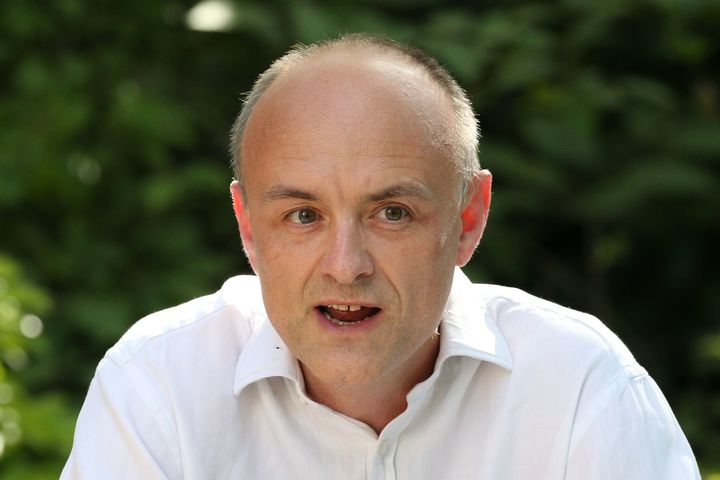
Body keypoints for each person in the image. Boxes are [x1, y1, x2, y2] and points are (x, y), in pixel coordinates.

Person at [61, 34, 700, 479]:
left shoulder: (579, 385)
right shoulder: (159, 385)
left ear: (468, 218)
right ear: (249, 227)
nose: (346, 265)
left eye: (392, 213)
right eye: (303, 216)